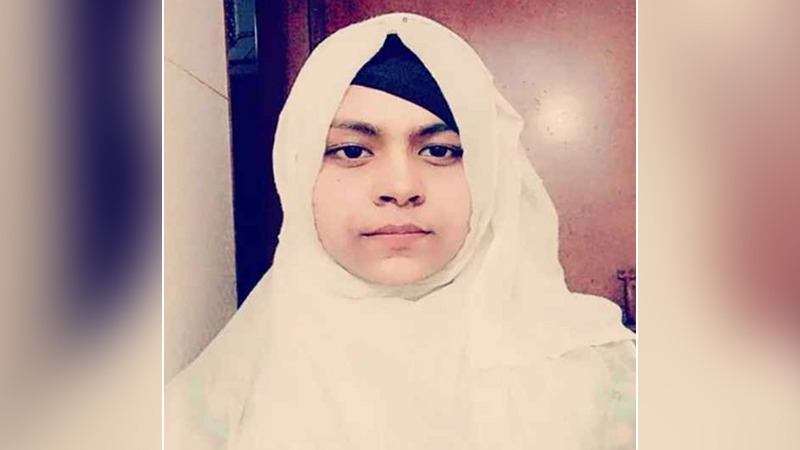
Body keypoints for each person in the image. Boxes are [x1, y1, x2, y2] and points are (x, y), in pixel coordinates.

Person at [166, 12, 635, 450]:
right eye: (352, 151)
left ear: (492, 175)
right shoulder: (217, 403)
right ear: (298, 169)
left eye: (441, 151)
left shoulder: (604, 385)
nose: (401, 187)